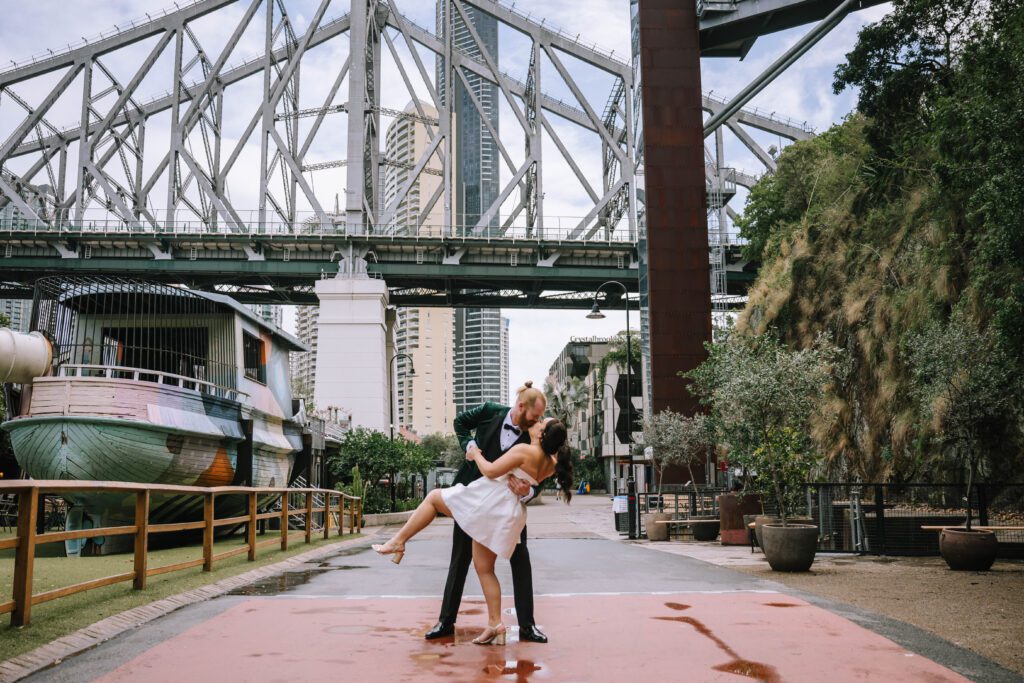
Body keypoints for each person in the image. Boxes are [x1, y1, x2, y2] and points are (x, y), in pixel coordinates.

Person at [372, 393, 572, 645]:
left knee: (518, 563)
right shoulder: (494, 413)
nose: (537, 420)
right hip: (488, 500)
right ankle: (452, 621)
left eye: (541, 420)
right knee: (465, 561)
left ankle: (526, 625)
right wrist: (468, 444)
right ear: (522, 406)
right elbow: (460, 423)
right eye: (536, 416)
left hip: (489, 500)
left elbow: (497, 471)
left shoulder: (529, 442)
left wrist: (528, 491)